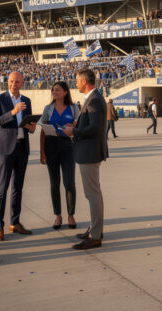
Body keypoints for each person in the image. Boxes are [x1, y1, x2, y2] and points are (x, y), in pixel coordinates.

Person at [62, 68, 108, 250]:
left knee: (92, 194)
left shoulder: (94, 100)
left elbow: (95, 129)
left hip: (90, 153)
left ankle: (96, 236)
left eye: (77, 81)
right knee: (94, 193)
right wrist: (76, 124)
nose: (76, 84)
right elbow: (90, 124)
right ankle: (96, 229)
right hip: (89, 151)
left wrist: (73, 131)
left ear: (85, 82)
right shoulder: (93, 98)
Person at [0, 71, 36, 241]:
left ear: (22, 83)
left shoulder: (27, 101)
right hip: (5, 149)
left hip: (22, 147)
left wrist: (32, 128)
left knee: (18, 187)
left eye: (17, 82)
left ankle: (15, 222)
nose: (13, 84)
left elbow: (29, 124)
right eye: (11, 81)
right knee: (2, 188)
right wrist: (12, 112)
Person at [39, 81, 79, 230]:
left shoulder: (74, 108)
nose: (54, 92)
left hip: (68, 146)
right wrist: (42, 152)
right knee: (54, 183)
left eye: (57, 90)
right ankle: (58, 215)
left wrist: (73, 126)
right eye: (53, 90)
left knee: (69, 182)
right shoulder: (48, 109)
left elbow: (80, 126)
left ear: (65, 92)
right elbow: (43, 130)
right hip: (51, 146)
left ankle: (71, 214)